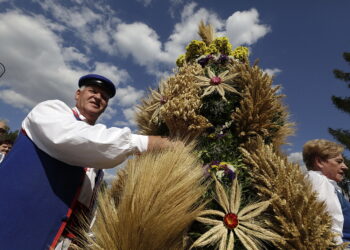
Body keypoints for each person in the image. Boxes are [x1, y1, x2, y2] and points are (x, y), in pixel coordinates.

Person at [0, 74, 177, 250]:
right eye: (93, 91)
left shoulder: (98, 157)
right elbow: (72, 137)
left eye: (104, 97)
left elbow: (86, 203)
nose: (98, 97)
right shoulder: (50, 110)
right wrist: (148, 143)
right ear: (78, 94)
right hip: (15, 227)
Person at [303, 139, 350, 245]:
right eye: (339, 161)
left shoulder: (331, 186)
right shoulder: (318, 180)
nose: (345, 166)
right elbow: (330, 230)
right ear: (319, 162)